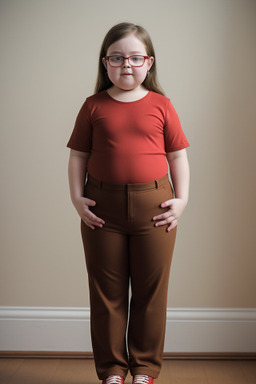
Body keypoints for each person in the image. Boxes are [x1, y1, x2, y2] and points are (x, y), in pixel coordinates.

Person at [67, 22, 190, 384]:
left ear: (149, 63)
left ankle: (145, 370)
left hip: (155, 207)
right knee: (107, 293)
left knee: (151, 293)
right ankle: (112, 371)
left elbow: (178, 156)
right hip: (102, 209)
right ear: (104, 63)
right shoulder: (93, 106)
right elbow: (78, 156)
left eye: (136, 58)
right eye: (117, 58)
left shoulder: (162, 105)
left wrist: (181, 201)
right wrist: (77, 199)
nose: (127, 65)